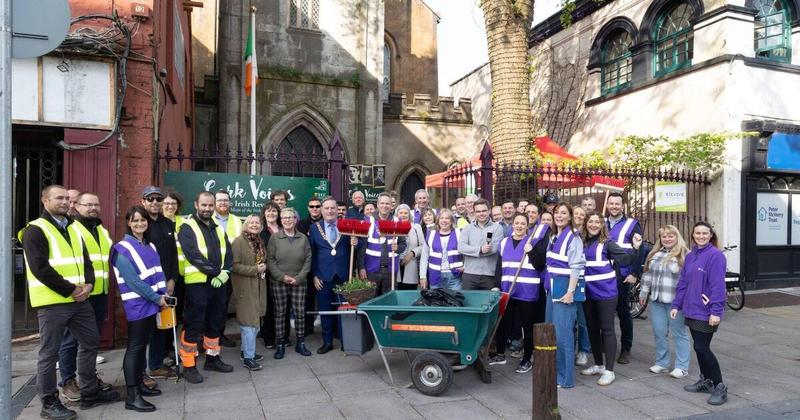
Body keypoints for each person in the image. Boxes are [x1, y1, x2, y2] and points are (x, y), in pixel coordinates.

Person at [20, 185, 119, 419]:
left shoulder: (73, 228)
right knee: (49, 353)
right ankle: (48, 402)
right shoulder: (35, 230)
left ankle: (89, 392)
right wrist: (72, 289)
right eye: (59, 198)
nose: (65, 202)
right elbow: (40, 269)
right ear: (45, 200)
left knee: (90, 341)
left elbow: (86, 262)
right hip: (53, 302)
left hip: (79, 299)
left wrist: (90, 284)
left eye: (67, 198)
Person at [111, 206, 169, 412]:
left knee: (142, 346)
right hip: (138, 305)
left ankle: (141, 385)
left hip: (153, 303)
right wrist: (157, 298)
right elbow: (133, 281)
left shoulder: (150, 246)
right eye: (134, 220)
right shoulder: (121, 249)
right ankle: (132, 395)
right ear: (128, 222)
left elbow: (158, 273)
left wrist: (163, 295)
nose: (139, 224)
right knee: (135, 349)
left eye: (142, 220)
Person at [57, 192, 113, 402]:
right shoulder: (71, 229)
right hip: (79, 293)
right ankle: (68, 381)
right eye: (87, 204)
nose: (93, 208)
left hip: (100, 292)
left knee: (91, 340)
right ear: (76, 206)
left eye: (96, 204)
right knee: (71, 340)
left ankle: (88, 379)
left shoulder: (101, 229)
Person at [176, 191, 234, 384]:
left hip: (218, 285)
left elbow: (228, 253)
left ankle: (212, 358)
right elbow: (193, 255)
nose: (208, 209)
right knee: (193, 324)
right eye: (205, 205)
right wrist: (217, 272)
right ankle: (189, 365)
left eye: (211, 205)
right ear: (196, 204)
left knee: (215, 323)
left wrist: (226, 272)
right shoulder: (187, 227)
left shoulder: (217, 228)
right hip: (198, 285)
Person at [579, 212, 642, 386]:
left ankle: (609, 370)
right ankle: (598, 364)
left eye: (597, 222)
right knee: (592, 328)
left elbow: (627, 258)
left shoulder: (608, 244)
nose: (593, 225)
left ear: (602, 225)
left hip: (606, 292)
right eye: (590, 221)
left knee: (607, 329)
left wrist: (636, 247)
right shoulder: (581, 242)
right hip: (587, 292)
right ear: (585, 224)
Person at [671, 222, 728, 405]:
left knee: (702, 348)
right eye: (698, 233)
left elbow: (718, 285)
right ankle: (706, 381)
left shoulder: (716, 256)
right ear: (693, 235)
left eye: (705, 233)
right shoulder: (691, 255)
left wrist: (716, 311)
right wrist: (676, 305)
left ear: (711, 235)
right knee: (698, 347)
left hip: (706, 310)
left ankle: (720, 386)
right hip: (691, 309)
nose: (701, 236)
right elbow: (683, 282)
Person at [490, 213, 549, 374]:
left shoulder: (533, 242)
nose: (519, 226)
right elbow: (498, 267)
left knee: (527, 326)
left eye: (523, 223)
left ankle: (527, 358)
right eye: (517, 223)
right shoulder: (503, 242)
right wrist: (496, 285)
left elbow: (539, 265)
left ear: (527, 225)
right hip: (508, 289)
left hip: (527, 291)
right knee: (503, 323)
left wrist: (530, 252)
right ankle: (500, 354)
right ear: (512, 225)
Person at [310, 196, 362, 354]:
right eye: (326, 208)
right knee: (325, 310)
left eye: (333, 208)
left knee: (344, 310)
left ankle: (346, 341)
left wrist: (356, 243)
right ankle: (327, 342)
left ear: (337, 210)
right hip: (323, 277)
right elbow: (312, 254)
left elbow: (356, 250)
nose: (330, 211)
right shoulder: (315, 228)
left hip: (343, 275)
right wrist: (314, 275)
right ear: (322, 210)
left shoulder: (347, 226)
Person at [640, 225, 691, 379]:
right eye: (664, 236)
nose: (667, 239)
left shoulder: (685, 255)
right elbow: (647, 274)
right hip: (657, 300)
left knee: (679, 333)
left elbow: (688, 280)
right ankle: (662, 363)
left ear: (677, 237)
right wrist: (643, 292)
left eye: (671, 236)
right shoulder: (655, 254)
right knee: (659, 332)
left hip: (676, 302)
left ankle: (682, 366)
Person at [544, 203, 585, 389]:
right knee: (553, 334)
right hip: (553, 290)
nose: (559, 216)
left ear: (570, 217)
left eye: (563, 213)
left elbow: (576, 266)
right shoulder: (554, 236)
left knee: (564, 336)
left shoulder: (573, 237)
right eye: (556, 213)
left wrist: (570, 292)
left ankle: (566, 378)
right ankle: (557, 373)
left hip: (564, 291)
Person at [140, 186, 179, 381]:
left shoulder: (167, 224)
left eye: (158, 199)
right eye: (150, 199)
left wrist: (172, 279)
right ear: (143, 202)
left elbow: (173, 254)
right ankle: (139, 372)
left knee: (160, 326)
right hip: (147, 284)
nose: (155, 202)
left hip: (167, 283)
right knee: (143, 329)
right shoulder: (140, 223)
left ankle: (155, 365)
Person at [267, 208, 313, 358]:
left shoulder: (303, 238)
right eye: (284, 218)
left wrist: (299, 278)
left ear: (295, 220)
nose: (287, 220)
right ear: (281, 220)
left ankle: (301, 343)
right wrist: (281, 276)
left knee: (300, 313)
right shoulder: (274, 238)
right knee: (280, 313)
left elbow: (308, 259)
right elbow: (270, 260)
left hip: (299, 281)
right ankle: (280, 344)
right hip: (279, 281)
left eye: (290, 217)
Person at [605, 192, 643, 365]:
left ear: (622, 206)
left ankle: (626, 349)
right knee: (604, 312)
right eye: (611, 203)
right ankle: (606, 344)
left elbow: (639, 249)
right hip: (603, 275)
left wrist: (634, 273)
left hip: (623, 275)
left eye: (617, 204)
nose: (614, 206)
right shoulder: (601, 222)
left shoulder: (632, 224)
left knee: (623, 312)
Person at [231, 215, 268, 371]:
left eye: (257, 223)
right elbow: (234, 266)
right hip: (245, 288)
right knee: (249, 324)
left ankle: (245, 351)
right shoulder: (239, 242)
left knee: (255, 321)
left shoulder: (259, 240)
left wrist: (263, 267)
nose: (254, 224)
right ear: (245, 225)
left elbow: (260, 261)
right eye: (251, 222)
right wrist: (255, 270)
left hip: (258, 285)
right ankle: (248, 358)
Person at [359, 193, 406, 295]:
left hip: (391, 269)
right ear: (378, 204)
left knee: (389, 301)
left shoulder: (398, 221)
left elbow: (403, 244)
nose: (384, 206)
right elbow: (362, 247)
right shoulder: (368, 221)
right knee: (370, 299)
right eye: (382, 203)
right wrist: (361, 267)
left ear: (391, 206)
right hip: (371, 269)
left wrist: (397, 248)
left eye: (387, 204)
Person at [213, 189, 241, 349]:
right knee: (211, 305)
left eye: (225, 200)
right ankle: (208, 338)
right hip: (213, 271)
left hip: (230, 269)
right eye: (219, 200)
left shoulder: (237, 221)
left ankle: (220, 335)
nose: (223, 203)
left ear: (230, 202)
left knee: (223, 304)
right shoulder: (208, 219)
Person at [259, 202, 289, 349]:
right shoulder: (260, 231)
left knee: (284, 306)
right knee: (270, 307)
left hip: (285, 273)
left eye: (274, 212)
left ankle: (284, 336)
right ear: (264, 214)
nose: (271, 214)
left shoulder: (285, 229)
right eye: (268, 211)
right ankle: (268, 336)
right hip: (268, 274)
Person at [458, 199, 504, 290]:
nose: (481, 214)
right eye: (478, 211)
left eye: (484, 211)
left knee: (488, 303)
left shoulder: (497, 228)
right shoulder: (467, 228)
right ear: (474, 213)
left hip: (489, 275)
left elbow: (494, 249)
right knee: (468, 303)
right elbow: (461, 248)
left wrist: (471, 251)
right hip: (469, 274)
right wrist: (480, 250)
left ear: (489, 211)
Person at [297, 196, 323, 335]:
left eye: (317, 206)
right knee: (307, 299)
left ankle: (326, 328)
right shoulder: (301, 224)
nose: (315, 209)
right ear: (308, 208)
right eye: (312, 206)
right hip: (306, 266)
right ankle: (307, 328)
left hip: (323, 265)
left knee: (324, 299)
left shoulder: (326, 223)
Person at [419, 208, 463, 290]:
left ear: (451, 221)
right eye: (441, 218)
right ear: (438, 221)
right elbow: (424, 258)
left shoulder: (459, 233)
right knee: (436, 302)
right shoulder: (430, 235)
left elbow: (467, 252)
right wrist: (422, 276)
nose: (444, 221)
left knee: (456, 301)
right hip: (435, 277)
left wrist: (466, 266)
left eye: (447, 218)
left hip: (455, 277)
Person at [163, 189, 187, 323]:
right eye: (167, 203)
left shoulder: (184, 223)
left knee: (178, 308)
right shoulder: (156, 223)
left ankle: (171, 341)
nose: (170, 206)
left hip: (182, 273)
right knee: (163, 308)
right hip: (164, 272)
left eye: (173, 203)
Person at [571, 205, 591, 365]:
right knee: (570, 319)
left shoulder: (588, 236)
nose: (578, 216)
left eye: (581, 214)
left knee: (583, 319)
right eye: (575, 213)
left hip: (586, 280)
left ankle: (584, 350)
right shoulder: (567, 233)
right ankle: (570, 349)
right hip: (569, 280)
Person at [395, 204, 422, 290]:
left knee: (409, 294)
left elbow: (423, 246)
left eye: (405, 213)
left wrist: (412, 253)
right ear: (397, 214)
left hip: (411, 265)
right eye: (401, 213)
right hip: (395, 266)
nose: (403, 215)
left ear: (409, 215)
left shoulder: (416, 227)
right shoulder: (393, 226)